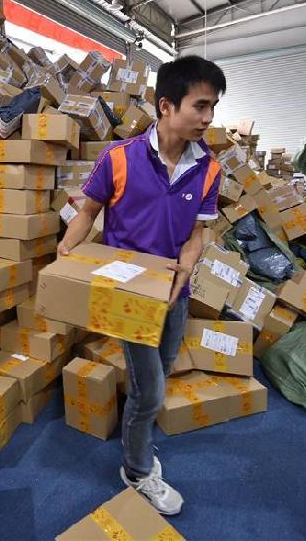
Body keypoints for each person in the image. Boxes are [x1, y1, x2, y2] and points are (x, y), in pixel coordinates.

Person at [56, 55, 224, 515]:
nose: (208, 118)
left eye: (214, 107)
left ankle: (140, 433)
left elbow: (197, 233)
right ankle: (135, 468)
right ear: (167, 105)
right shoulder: (119, 158)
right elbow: (88, 211)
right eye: (200, 106)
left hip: (176, 294)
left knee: (159, 375)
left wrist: (185, 273)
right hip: (128, 297)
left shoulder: (208, 169)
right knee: (149, 389)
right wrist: (65, 254)